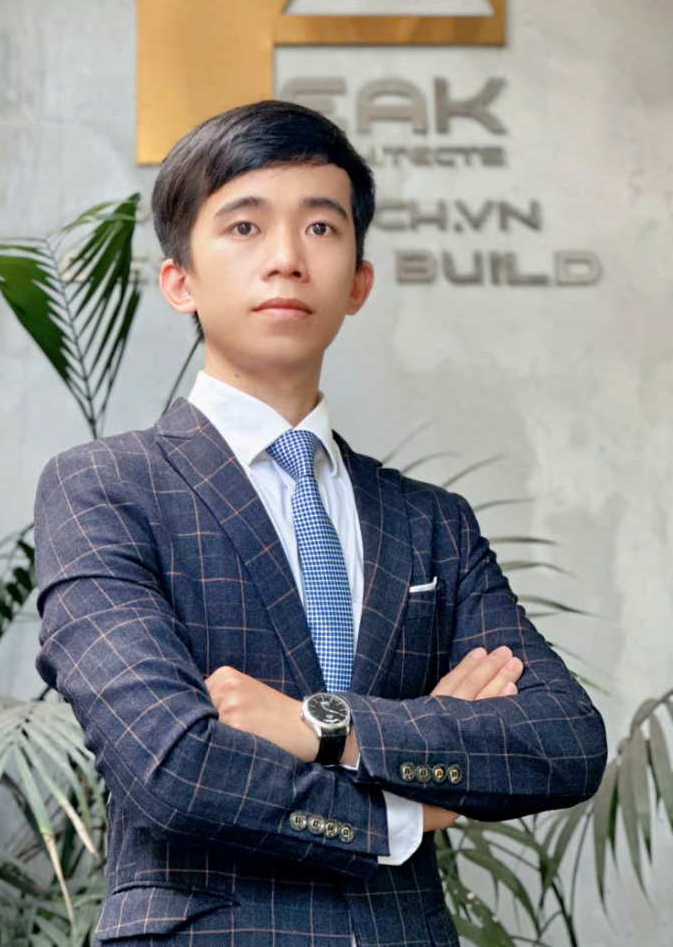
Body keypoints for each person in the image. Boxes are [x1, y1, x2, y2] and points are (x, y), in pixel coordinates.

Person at [32, 99, 608, 947]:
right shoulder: (104, 489)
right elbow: (170, 765)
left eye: (321, 228)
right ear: (179, 280)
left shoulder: (430, 522)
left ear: (359, 282)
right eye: (244, 226)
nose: (286, 258)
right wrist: (398, 817)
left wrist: (323, 726)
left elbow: (562, 739)